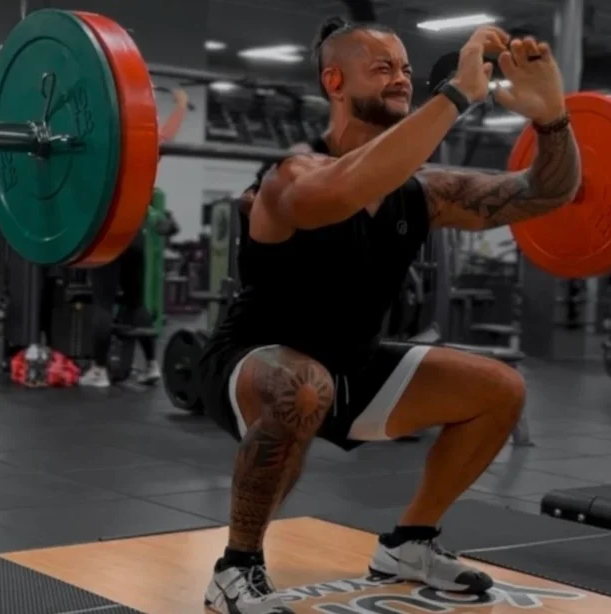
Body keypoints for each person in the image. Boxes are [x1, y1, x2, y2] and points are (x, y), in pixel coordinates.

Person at [198, 17, 581, 614]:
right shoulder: (290, 176)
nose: (402, 79)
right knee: (303, 387)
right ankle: (236, 567)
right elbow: (345, 190)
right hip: (253, 365)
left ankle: (410, 542)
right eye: (383, 69)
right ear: (334, 81)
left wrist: (552, 117)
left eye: (405, 69)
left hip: (355, 366)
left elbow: (546, 194)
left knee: (500, 389)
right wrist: (455, 96)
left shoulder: (422, 193)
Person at [80, 87, 190, 388]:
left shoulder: (103, 147)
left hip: (108, 233)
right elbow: (167, 133)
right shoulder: (148, 146)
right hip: (135, 233)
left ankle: (99, 371)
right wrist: (181, 105)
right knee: (136, 301)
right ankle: (152, 365)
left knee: (103, 302)